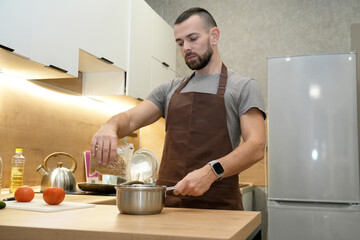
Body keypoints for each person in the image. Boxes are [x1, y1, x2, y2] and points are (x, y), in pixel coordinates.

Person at [91, 7, 266, 210]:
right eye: (180, 43)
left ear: (214, 36)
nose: (186, 48)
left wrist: (211, 171)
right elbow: (130, 120)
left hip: (219, 207)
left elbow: (256, 146)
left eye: (193, 38)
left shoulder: (243, 86)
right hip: (168, 205)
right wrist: (109, 126)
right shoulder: (170, 89)